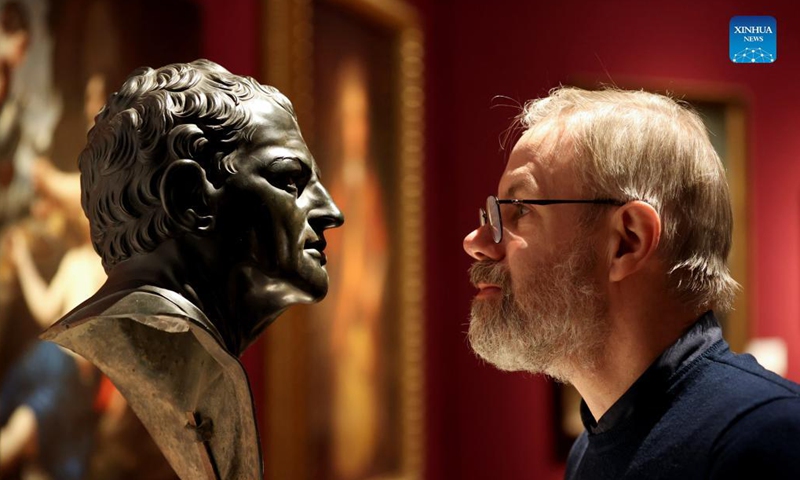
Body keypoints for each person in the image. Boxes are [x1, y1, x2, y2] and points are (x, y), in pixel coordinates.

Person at [462, 87, 800, 479]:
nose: (476, 242)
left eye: (519, 209)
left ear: (627, 241)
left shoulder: (768, 443)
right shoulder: (589, 451)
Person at [43, 59, 344, 480]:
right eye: (289, 180)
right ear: (191, 199)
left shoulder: (203, 364)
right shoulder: (112, 379)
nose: (332, 212)